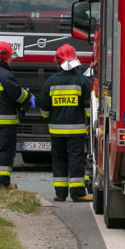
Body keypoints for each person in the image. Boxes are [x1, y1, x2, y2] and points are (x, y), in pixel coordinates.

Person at [37, 44, 92, 202]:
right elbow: (89, 107)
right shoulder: (82, 81)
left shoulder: (50, 82)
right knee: (76, 160)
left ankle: (60, 194)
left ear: (57, 61)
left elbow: (44, 105)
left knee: (59, 160)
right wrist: (88, 124)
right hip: (76, 131)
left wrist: (48, 117)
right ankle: (78, 193)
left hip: (56, 131)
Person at [0, 41, 30, 189]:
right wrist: (27, 95)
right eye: (10, 57)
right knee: (6, 152)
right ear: (4, 57)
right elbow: (17, 95)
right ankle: (3, 183)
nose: (12, 60)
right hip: (6, 121)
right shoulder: (4, 74)